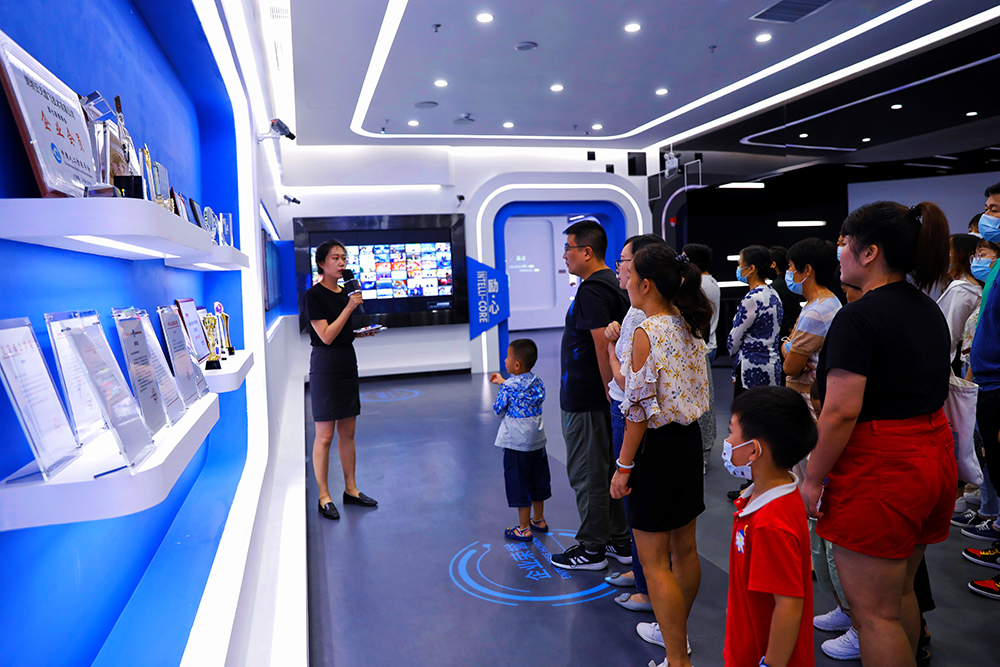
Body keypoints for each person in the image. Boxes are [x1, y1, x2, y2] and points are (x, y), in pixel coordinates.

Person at [802, 201, 955, 667]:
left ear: (869, 252)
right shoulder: (926, 308)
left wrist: (812, 478)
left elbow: (840, 411)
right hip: (932, 456)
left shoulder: (859, 317)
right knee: (900, 593)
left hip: (883, 468)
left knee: (873, 615)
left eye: (846, 242)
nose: (840, 251)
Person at [609, 245, 712, 667]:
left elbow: (637, 411)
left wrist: (623, 467)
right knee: (685, 551)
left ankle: (676, 657)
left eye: (630, 274)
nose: (627, 281)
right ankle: (675, 638)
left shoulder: (646, 332)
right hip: (687, 444)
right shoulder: (688, 322)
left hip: (655, 449)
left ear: (646, 284)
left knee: (654, 563)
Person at [550, 218, 632, 571]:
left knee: (587, 473)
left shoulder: (593, 290)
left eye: (568, 248)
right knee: (604, 470)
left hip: (588, 399)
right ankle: (618, 539)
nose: (564, 255)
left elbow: (602, 345)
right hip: (599, 397)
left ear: (586, 251)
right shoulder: (610, 284)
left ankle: (592, 548)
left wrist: (610, 392)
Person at [723, 386, 817, 667]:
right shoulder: (771, 496)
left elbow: (788, 603)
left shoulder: (770, 523)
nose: (726, 442)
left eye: (731, 432)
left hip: (759, 656)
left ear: (753, 449)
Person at [603, 233, 666, 611]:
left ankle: (646, 587)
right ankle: (641, 573)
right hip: (628, 409)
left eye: (623, 261)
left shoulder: (647, 318)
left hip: (630, 412)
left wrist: (610, 349)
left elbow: (630, 384)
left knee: (636, 499)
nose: (619, 269)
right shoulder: (639, 311)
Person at [307, 239, 379, 520]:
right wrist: (349, 307)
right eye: (335, 258)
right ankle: (324, 496)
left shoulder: (345, 292)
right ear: (322, 263)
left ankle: (351, 489)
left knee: (348, 433)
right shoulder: (314, 295)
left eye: (344, 258)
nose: (341, 263)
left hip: (347, 363)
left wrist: (358, 332)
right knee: (325, 435)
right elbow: (325, 336)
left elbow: (340, 333)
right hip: (325, 368)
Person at [966, 182, 1000, 603]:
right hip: (988, 382)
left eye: (996, 210)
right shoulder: (997, 268)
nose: (989, 217)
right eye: (988, 208)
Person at [489, 339, 550, 542]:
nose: (504, 360)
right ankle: (539, 520)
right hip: (537, 442)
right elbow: (523, 390)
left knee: (519, 482)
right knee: (538, 480)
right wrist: (503, 381)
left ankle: (523, 528)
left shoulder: (508, 387)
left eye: (507, 357)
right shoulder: (538, 382)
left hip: (516, 444)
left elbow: (498, 409)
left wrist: (503, 385)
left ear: (516, 365)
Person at [782, 238, 842, 421]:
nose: (789, 272)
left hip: (807, 401)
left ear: (807, 270)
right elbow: (790, 346)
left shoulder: (815, 313)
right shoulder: (828, 301)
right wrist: (789, 348)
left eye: (791, 266)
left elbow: (790, 367)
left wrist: (787, 348)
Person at [683, 243, 720, 472]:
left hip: (701, 348)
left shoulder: (699, 285)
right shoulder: (712, 282)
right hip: (707, 345)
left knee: (700, 403)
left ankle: (701, 454)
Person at [728, 245, 783, 397]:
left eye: (740, 265)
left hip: (752, 369)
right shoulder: (773, 293)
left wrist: (731, 350)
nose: (739, 269)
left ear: (751, 268)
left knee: (749, 410)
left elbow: (734, 340)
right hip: (772, 364)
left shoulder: (752, 298)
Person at [936, 234, 982, 375]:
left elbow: (949, 333)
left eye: (949, 250)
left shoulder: (961, 289)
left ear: (961, 255)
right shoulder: (973, 285)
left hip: (953, 360)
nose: (945, 254)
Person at [770, 246, 803, 343]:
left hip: (784, 336)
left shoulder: (775, 287)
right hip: (797, 328)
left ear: (773, 264)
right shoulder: (793, 283)